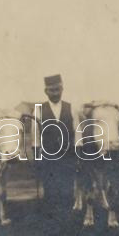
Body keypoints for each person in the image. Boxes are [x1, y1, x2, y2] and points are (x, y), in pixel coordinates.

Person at [35, 74, 77, 215]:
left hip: (68, 156)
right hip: (48, 157)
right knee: (50, 188)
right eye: (52, 90)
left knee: (67, 188)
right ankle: (51, 219)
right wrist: (37, 158)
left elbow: (77, 133)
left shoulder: (71, 108)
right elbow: (35, 136)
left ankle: (68, 218)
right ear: (46, 91)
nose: (55, 93)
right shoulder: (38, 109)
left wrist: (77, 153)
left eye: (58, 89)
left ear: (62, 89)